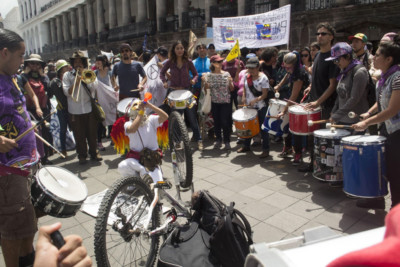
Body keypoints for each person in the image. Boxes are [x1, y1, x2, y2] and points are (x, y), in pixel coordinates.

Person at [0, 28, 39, 267]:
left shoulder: (9, 77)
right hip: (6, 172)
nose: (23, 61)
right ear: (5, 52)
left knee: (26, 228)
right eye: (21, 55)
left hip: (23, 166)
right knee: (12, 232)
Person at [352, 35, 400, 209]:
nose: (374, 57)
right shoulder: (385, 77)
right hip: (387, 129)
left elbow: (392, 109)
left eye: (378, 55)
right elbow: (381, 100)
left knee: (396, 173)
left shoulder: (398, 78)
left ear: (389, 59)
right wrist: (369, 112)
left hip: (397, 132)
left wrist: (367, 122)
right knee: (382, 166)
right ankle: (377, 199)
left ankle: (396, 210)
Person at [300, 22, 340, 172]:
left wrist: (318, 101)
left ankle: (324, 168)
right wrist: (310, 87)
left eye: (323, 34)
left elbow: (332, 85)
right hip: (314, 101)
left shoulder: (333, 58)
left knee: (323, 137)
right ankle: (313, 164)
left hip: (326, 104)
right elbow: (317, 78)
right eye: (318, 34)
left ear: (331, 37)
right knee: (312, 135)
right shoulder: (317, 56)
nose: (319, 36)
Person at [160, 40, 203, 150]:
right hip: (174, 93)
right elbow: (161, 72)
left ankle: (198, 139)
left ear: (184, 50)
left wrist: (194, 80)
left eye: (181, 48)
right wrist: (164, 82)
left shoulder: (188, 62)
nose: (180, 50)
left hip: (187, 92)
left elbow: (196, 74)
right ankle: (178, 141)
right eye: (177, 48)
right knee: (176, 118)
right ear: (174, 50)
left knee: (192, 117)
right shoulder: (170, 62)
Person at [63, 50, 102, 165]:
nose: (78, 64)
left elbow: (94, 87)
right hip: (75, 110)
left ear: (84, 62)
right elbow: (67, 92)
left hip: (89, 108)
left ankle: (94, 152)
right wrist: (76, 81)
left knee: (92, 133)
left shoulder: (90, 73)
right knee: (79, 135)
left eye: (80, 61)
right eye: (76, 62)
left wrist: (84, 76)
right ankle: (82, 155)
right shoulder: (67, 75)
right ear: (73, 63)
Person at [118, 99, 168, 183]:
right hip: (136, 159)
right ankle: (137, 180)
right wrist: (140, 113)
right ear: (131, 110)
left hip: (151, 159)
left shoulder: (151, 119)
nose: (138, 106)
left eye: (139, 104)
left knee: (158, 186)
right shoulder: (127, 124)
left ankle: (148, 174)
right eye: (135, 105)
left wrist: (150, 106)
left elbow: (165, 117)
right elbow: (133, 129)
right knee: (122, 166)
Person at [275, 52, 310, 165]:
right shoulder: (292, 71)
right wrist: (279, 86)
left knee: (296, 130)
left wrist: (284, 110)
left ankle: (298, 153)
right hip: (292, 102)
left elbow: (294, 96)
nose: (287, 69)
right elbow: (287, 75)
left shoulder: (299, 74)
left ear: (295, 64)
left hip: (299, 104)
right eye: (285, 67)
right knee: (287, 126)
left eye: (289, 67)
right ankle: (288, 147)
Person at [327, 42, 369, 127]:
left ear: (348, 57)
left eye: (337, 59)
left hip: (355, 122)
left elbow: (354, 98)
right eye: (334, 60)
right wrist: (334, 110)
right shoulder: (344, 70)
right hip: (342, 120)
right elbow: (340, 94)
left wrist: (337, 115)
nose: (336, 63)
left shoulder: (359, 72)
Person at [22, 53, 53, 165]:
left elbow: (49, 91)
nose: (34, 65)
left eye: (37, 63)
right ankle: (36, 158)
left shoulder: (43, 77)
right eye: (32, 63)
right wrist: (25, 73)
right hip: (30, 110)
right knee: (34, 135)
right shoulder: (23, 77)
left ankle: (45, 157)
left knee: (45, 133)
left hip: (43, 110)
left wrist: (43, 76)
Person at [238, 57, 270, 158]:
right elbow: (244, 89)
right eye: (249, 68)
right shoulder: (247, 76)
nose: (250, 70)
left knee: (262, 128)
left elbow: (265, 94)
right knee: (248, 126)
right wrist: (243, 97)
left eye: (252, 68)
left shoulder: (263, 78)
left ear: (257, 67)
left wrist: (255, 100)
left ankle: (266, 149)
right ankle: (246, 145)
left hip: (261, 106)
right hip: (249, 106)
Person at [203, 54, 234, 150]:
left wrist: (230, 82)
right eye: (218, 62)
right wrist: (205, 84)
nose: (220, 63)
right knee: (216, 122)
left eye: (221, 61)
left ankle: (227, 140)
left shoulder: (226, 74)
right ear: (213, 63)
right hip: (214, 101)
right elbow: (205, 90)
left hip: (225, 101)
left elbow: (232, 89)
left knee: (225, 122)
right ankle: (218, 140)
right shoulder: (208, 75)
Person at [49, 59, 70, 158]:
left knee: (75, 128)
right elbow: (56, 95)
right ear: (61, 69)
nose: (68, 68)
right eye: (65, 67)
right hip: (62, 108)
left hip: (71, 107)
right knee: (63, 129)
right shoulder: (55, 82)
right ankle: (63, 150)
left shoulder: (69, 78)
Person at [95, 54, 114, 150]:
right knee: (100, 122)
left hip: (109, 100)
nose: (97, 63)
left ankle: (113, 139)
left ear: (103, 62)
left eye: (99, 61)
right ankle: (99, 142)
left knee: (111, 119)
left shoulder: (110, 72)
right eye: (96, 61)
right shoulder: (94, 73)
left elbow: (114, 85)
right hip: (99, 101)